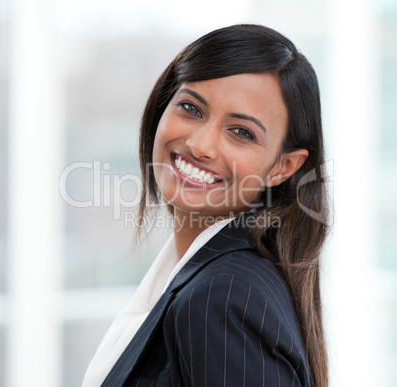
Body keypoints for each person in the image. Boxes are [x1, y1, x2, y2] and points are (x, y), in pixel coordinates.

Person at [83, 24, 329, 387]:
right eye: (190, 108)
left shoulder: (225, 297)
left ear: (284, 167)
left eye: (241, 132)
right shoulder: (209, 279)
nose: (200, 145)